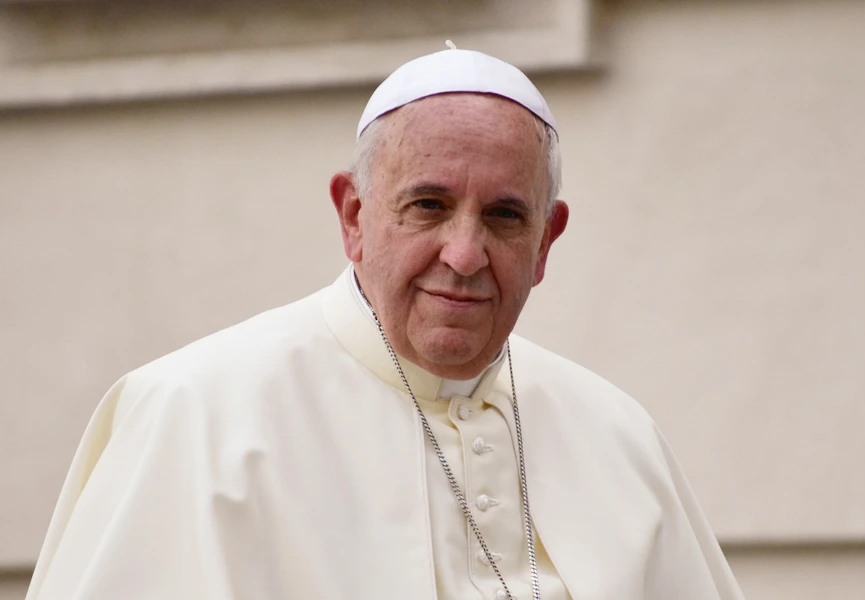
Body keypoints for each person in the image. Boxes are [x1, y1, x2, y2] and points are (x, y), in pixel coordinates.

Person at [26, 47, 744, 600]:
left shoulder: (618, 436)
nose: (464, 255)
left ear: (545, 242)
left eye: (503, 216)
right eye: (427, 205)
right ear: (354, 217)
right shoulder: (194, 414)